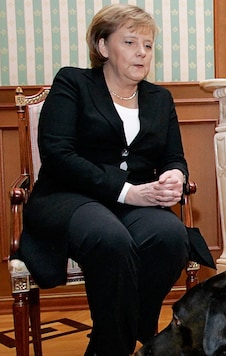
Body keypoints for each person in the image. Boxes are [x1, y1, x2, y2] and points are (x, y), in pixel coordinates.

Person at [17, 5, 190, 355]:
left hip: (134, 200)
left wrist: (175, 175)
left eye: (148, 44)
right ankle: (115, 347)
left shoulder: (160, 98)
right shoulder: (73, 83)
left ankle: (113, 337)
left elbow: (173, 156)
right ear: (102, 47)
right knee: (109, 238)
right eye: (130, 42)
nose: (142, 52)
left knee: (170, 236)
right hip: (69, 196)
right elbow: (58, 154)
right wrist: (126, 191)